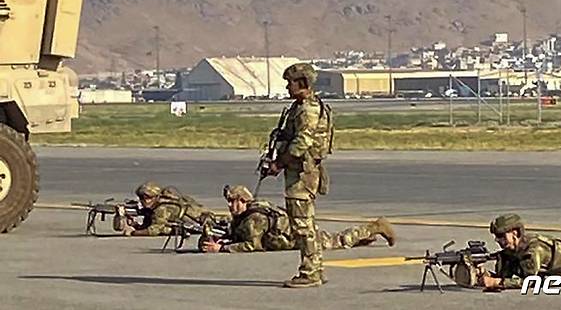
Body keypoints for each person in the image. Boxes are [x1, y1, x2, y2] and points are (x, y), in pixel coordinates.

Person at [268, 63, 333, 288]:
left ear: (303, 83)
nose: (287, 87)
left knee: (302, 225)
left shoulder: (308, 109)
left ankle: (310, 273)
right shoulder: (299, 107)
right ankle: (315, 268)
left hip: (302, 174)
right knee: (306, 224)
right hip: (300, 171)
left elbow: (302, 142)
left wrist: (279, 163)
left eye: (291, 83)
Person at [201, 185, 396, 253]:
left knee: (338, 241)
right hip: (293, 235)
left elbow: (253, 245)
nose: (229, 205)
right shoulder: (245, 215)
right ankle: (366, 237)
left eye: (233, 201)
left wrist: (223, 248)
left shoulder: (255, 219)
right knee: (338, 241)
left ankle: (375, 227)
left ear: (243, 201)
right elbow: (238, 234)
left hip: (298, 238)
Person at [113, 182, 215, 236]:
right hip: (185, 224)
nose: (144, 201)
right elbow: (150, 223)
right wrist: (135, 225)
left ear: (156, 197)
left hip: (199, 223)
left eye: (148, 198)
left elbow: (154, 230)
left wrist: (133, 232)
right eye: (141, 198)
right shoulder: (154, 208)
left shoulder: (162, 208)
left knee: (166, 229)